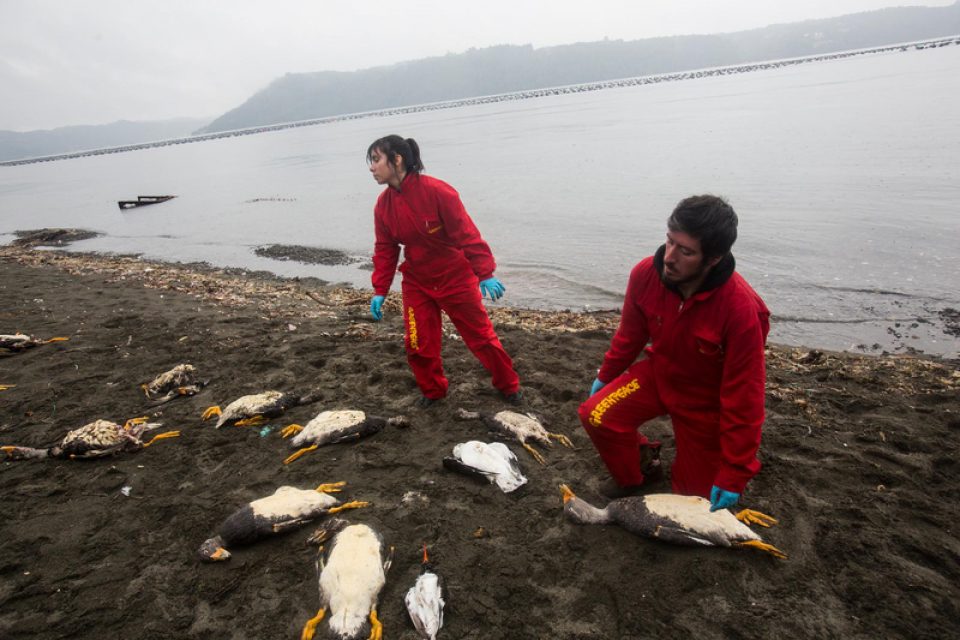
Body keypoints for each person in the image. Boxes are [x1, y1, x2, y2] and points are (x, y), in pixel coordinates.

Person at [577, 195, 769, 511]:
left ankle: (696, 477)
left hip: (705, 401)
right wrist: (606, 374)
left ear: (714, 259)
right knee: (595, 415)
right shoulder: (645, 274)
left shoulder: (741, 310)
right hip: (659, 374)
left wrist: (735, 471)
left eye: (686, 251)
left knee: (693, 502)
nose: (669, 257)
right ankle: (640, 469)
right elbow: (629, 335)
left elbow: (744, 395)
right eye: (669, 241)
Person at [366, 135, 522, 408]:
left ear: (397, 159)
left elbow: (467, 234)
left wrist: (485, 272)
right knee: (418, 343)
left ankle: (509, 386)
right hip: (417, 281)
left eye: (376, 160)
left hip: (455, 277)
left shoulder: (439, 192)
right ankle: (433, 391)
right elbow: (385, 248)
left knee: (481, 338)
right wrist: (380, 289)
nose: (372, 167)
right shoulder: (383, 205)